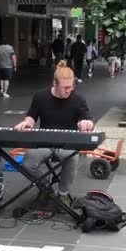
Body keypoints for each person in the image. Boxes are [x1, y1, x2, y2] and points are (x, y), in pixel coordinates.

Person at [14, 60, 95, 208]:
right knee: (27, 163)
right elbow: (31, 116)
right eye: (65, 88)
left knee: (72, 159)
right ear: (55, 84)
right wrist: (27, 123)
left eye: (71, 87)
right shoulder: (40, 96)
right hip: (44, 142)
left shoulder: (78, 99)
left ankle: (63, 194)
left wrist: (86, 123)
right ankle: (45, 187)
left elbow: (86, 118)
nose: (69, 90)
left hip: (67, 144)